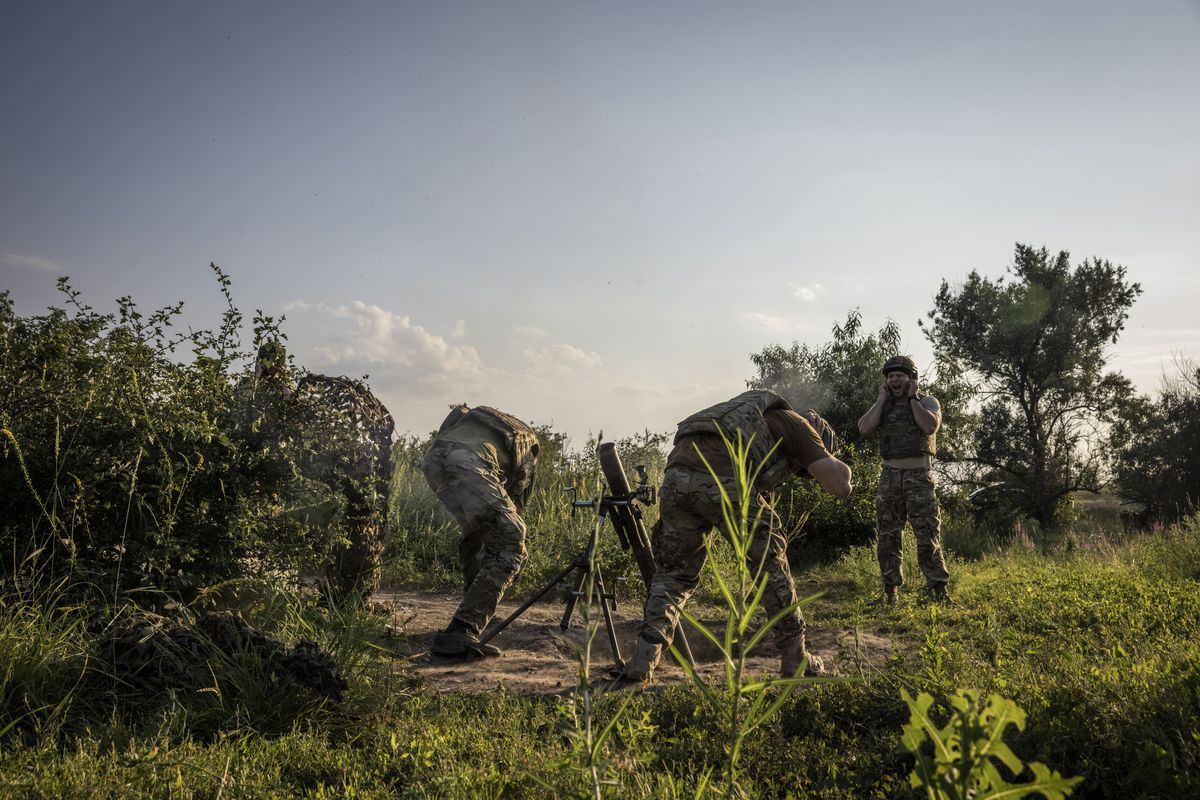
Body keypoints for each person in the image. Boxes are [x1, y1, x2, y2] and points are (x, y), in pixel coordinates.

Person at [617, 390, 853, 685]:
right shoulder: (804, 427)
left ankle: (643, 658)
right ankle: (796, 657)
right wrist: (826, 455)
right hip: (724, 473)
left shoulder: (760, 418)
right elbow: (840, 486)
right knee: (770, 565)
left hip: (677, 471)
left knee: (674, 575)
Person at [236, 340, 395, 605]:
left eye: (274, 362)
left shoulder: (281, 391)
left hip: (278, 467)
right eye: (270, 361)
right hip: (259, 466)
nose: (273, 367)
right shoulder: (250, 388)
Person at [421, 404, 540, 657]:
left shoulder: (491, 428)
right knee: (512, 542)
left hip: (434, 460)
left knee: (476, 531)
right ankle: (462, 629)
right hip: (470, 463)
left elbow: (476, 537)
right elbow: (515, 508)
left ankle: (471, 612)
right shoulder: (529, 453)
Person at [857, 355, 952, 605]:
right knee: (888, 536)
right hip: (890, 476)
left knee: (927, 535)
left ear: (911, 379)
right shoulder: (883, 405)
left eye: (900, 375)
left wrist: (912, 399)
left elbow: (929, 426)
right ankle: (890, 595)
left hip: (919, 477)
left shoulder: (927, 402)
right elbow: (865, 428)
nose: (894, 379)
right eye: (890, 376)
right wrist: (880, 400)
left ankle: (939, 592)